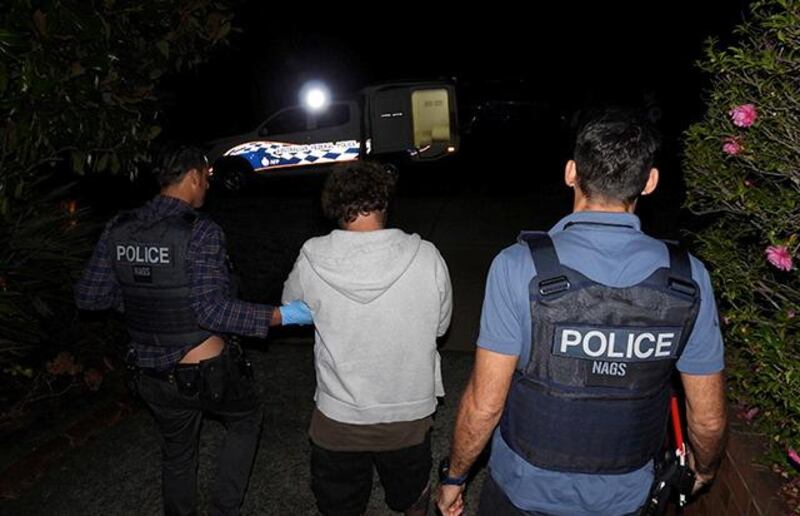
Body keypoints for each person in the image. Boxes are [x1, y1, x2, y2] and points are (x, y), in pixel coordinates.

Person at [437, 108, 728, 516]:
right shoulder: (688, 278)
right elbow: (709, 419)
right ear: (650, 182)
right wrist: (704, 471)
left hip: (523, 494)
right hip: (628, 499)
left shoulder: (520, 267)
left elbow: (484, 405)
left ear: (571, 173)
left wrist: (454, 477)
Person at [75, 145, 311, 516]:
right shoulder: (200, 232)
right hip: (205, 371)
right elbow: (212, 310)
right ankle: (224, 508)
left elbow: (89, 296)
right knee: (246, 420)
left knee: (177, 450)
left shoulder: (119, 227)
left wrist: (146, 300)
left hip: (149, 371)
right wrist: (282, 316)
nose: (208, 187)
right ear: (193, 176)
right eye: (207, 178)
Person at [282, 161, 453, 516]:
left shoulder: (312, 257)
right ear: (384, 202)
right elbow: (440, 327)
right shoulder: (427, 256)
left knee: (339, 506)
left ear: (332, 205)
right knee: (413, 500)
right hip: (408, 415)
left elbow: (293, 309)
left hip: (338, 418)